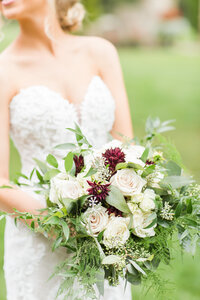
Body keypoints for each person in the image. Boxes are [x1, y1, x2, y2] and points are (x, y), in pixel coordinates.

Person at [0, 0, 133, 299]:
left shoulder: (101, 52)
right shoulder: (3, 70)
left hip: (110, 232)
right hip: (39, 239)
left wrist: (125, 202)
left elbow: (126, 145)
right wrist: (66, 226)